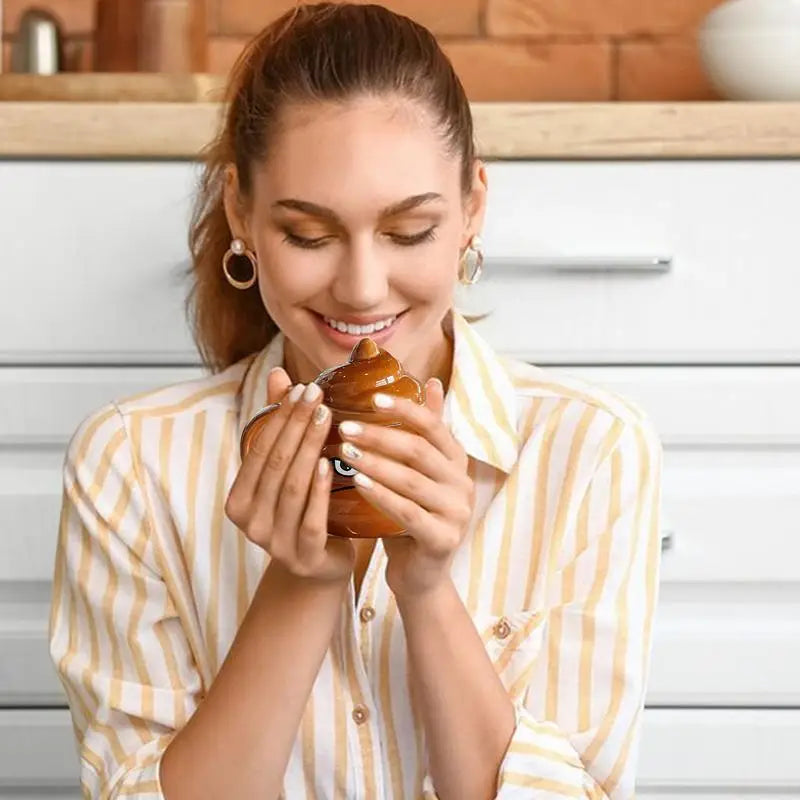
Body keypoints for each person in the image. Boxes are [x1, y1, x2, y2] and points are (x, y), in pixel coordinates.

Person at [48, 3, 663, 799]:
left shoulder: (591, 450)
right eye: (309, 235)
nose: (363, 289)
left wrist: (428, 587)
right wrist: (299, 585)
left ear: (472, 207)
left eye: (409, 232)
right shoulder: (131, 463)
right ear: (241, 212)